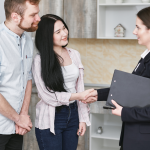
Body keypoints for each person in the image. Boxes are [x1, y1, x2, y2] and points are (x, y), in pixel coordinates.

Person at [82, 6, 150, 150]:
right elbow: (130, 90)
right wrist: (97, 94)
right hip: (134, 137)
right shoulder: (145, 58)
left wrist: (124, 112)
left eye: (138, 27)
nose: (134, 31)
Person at [32, 14, 96, 150]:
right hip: (51, 117)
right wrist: (78, 96)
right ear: (47, 36)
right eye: (58, 31)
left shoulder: (74, 54)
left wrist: (83, 119)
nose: (64, 33)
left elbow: (80, 88)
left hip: (73, 114)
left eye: (64, 28)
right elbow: (47, 95)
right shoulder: (40, 60)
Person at [0, 0, 41, 149]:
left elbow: (27, 78)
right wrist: (18, 118)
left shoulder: (28, 40)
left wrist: (23, 114)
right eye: (33, 14)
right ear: (15, 16)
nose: (38, 18)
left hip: (16, 127)